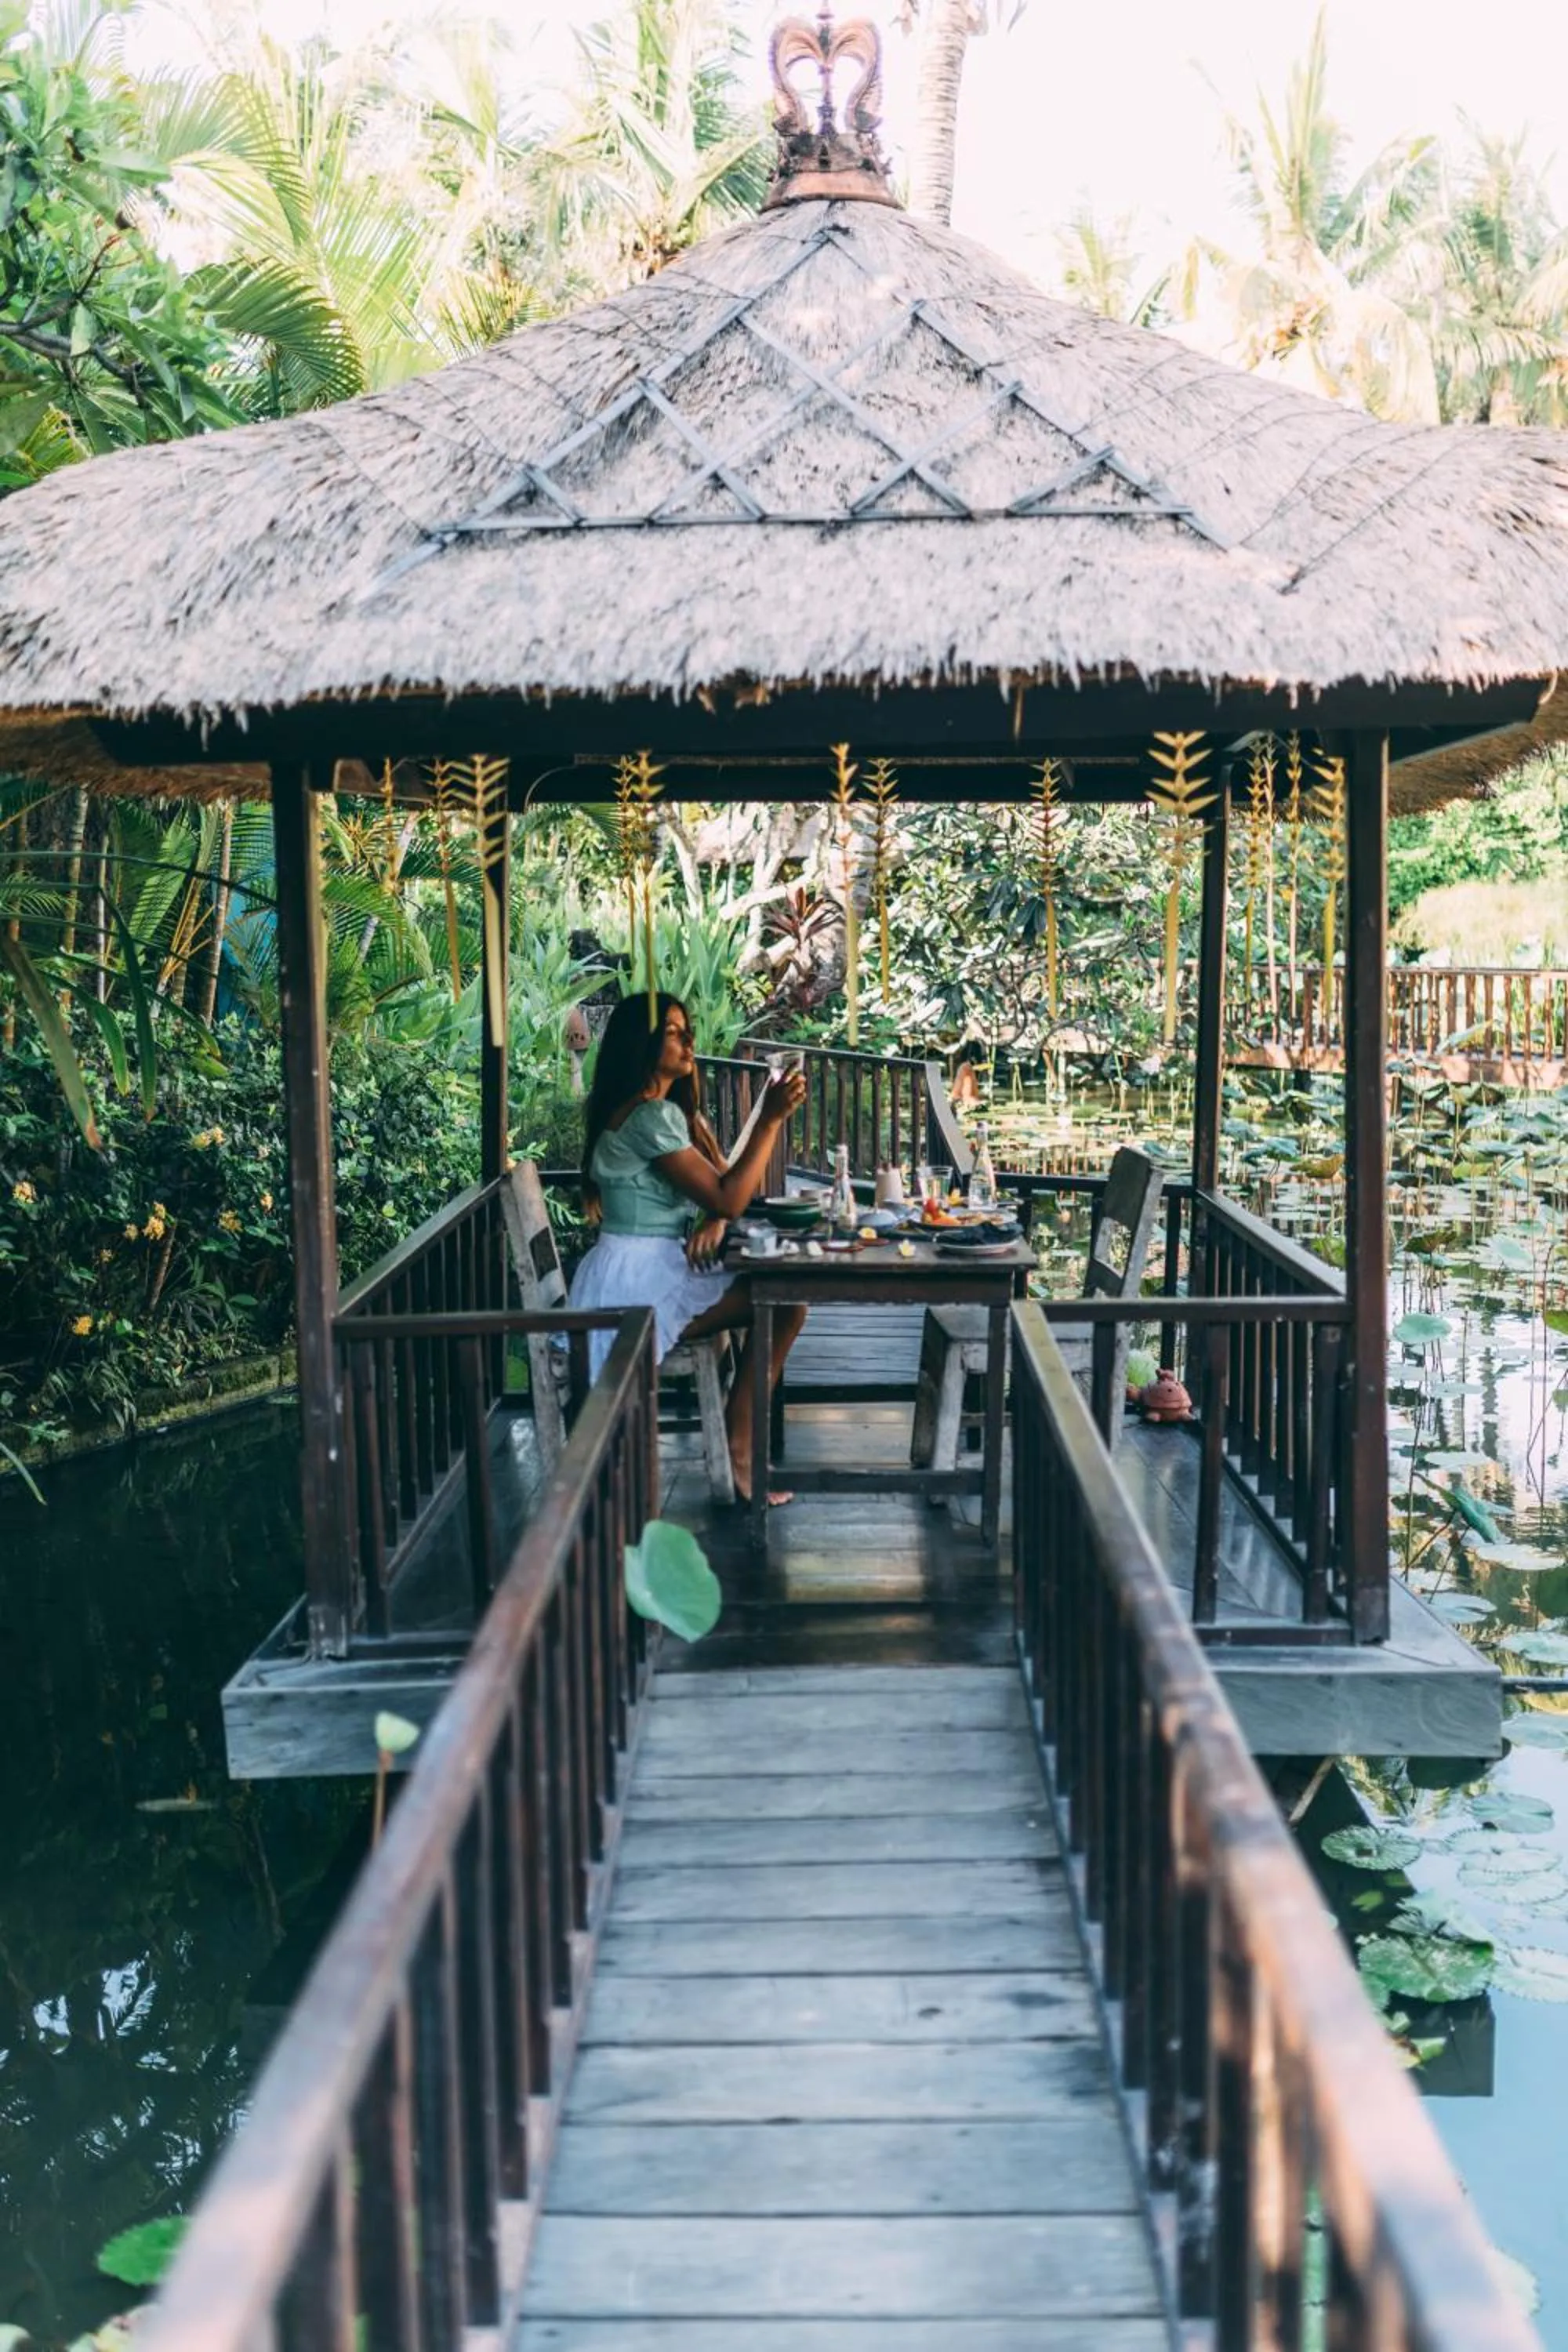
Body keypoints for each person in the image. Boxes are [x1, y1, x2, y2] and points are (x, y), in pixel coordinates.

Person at [568, 993, 808, 1501]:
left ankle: (736, 1441)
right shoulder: (648, 1119)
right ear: (644, 1044)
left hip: (637, 1266)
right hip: (636, 1283)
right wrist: (768, 1119)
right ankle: (738, 1449)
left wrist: (717, 1218)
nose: (688, 1041)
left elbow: (719, 1191)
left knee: (784, 1300)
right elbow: (730, 1193)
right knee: (784, 1302)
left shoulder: (663, 1115)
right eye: (674, 1032)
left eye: (686, 1029)